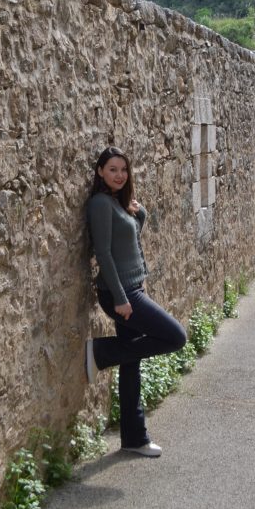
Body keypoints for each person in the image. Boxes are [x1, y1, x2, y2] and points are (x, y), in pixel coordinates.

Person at [85, 146, 187, 458]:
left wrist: (138, 214)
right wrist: (119, 299)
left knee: (131, 364)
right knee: (175, 336)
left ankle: (134, 437)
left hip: (131, 289)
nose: (119, 175)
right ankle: (101, 352)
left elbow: (127, 242)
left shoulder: (117, 203)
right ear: (101, 171)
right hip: (122, 295)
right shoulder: (100, 203)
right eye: (112, 169)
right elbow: (102, 253)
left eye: (123, 170)